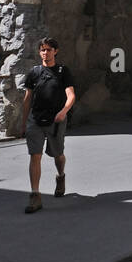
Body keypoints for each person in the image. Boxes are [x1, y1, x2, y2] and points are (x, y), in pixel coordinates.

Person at [21, 37, 76, 215]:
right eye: (43, 50)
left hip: (56, 121)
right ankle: (35, 195)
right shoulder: (34, 72)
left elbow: (71, 95)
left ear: (55, 51)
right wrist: (23, 122)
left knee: (58, 155)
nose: (46, 53)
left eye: (49, 49)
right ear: (39, 52)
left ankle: (60, 176)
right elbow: (28, 98)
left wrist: (63, 112)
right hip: (35, 120)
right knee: (34, 156)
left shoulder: (63, 71)